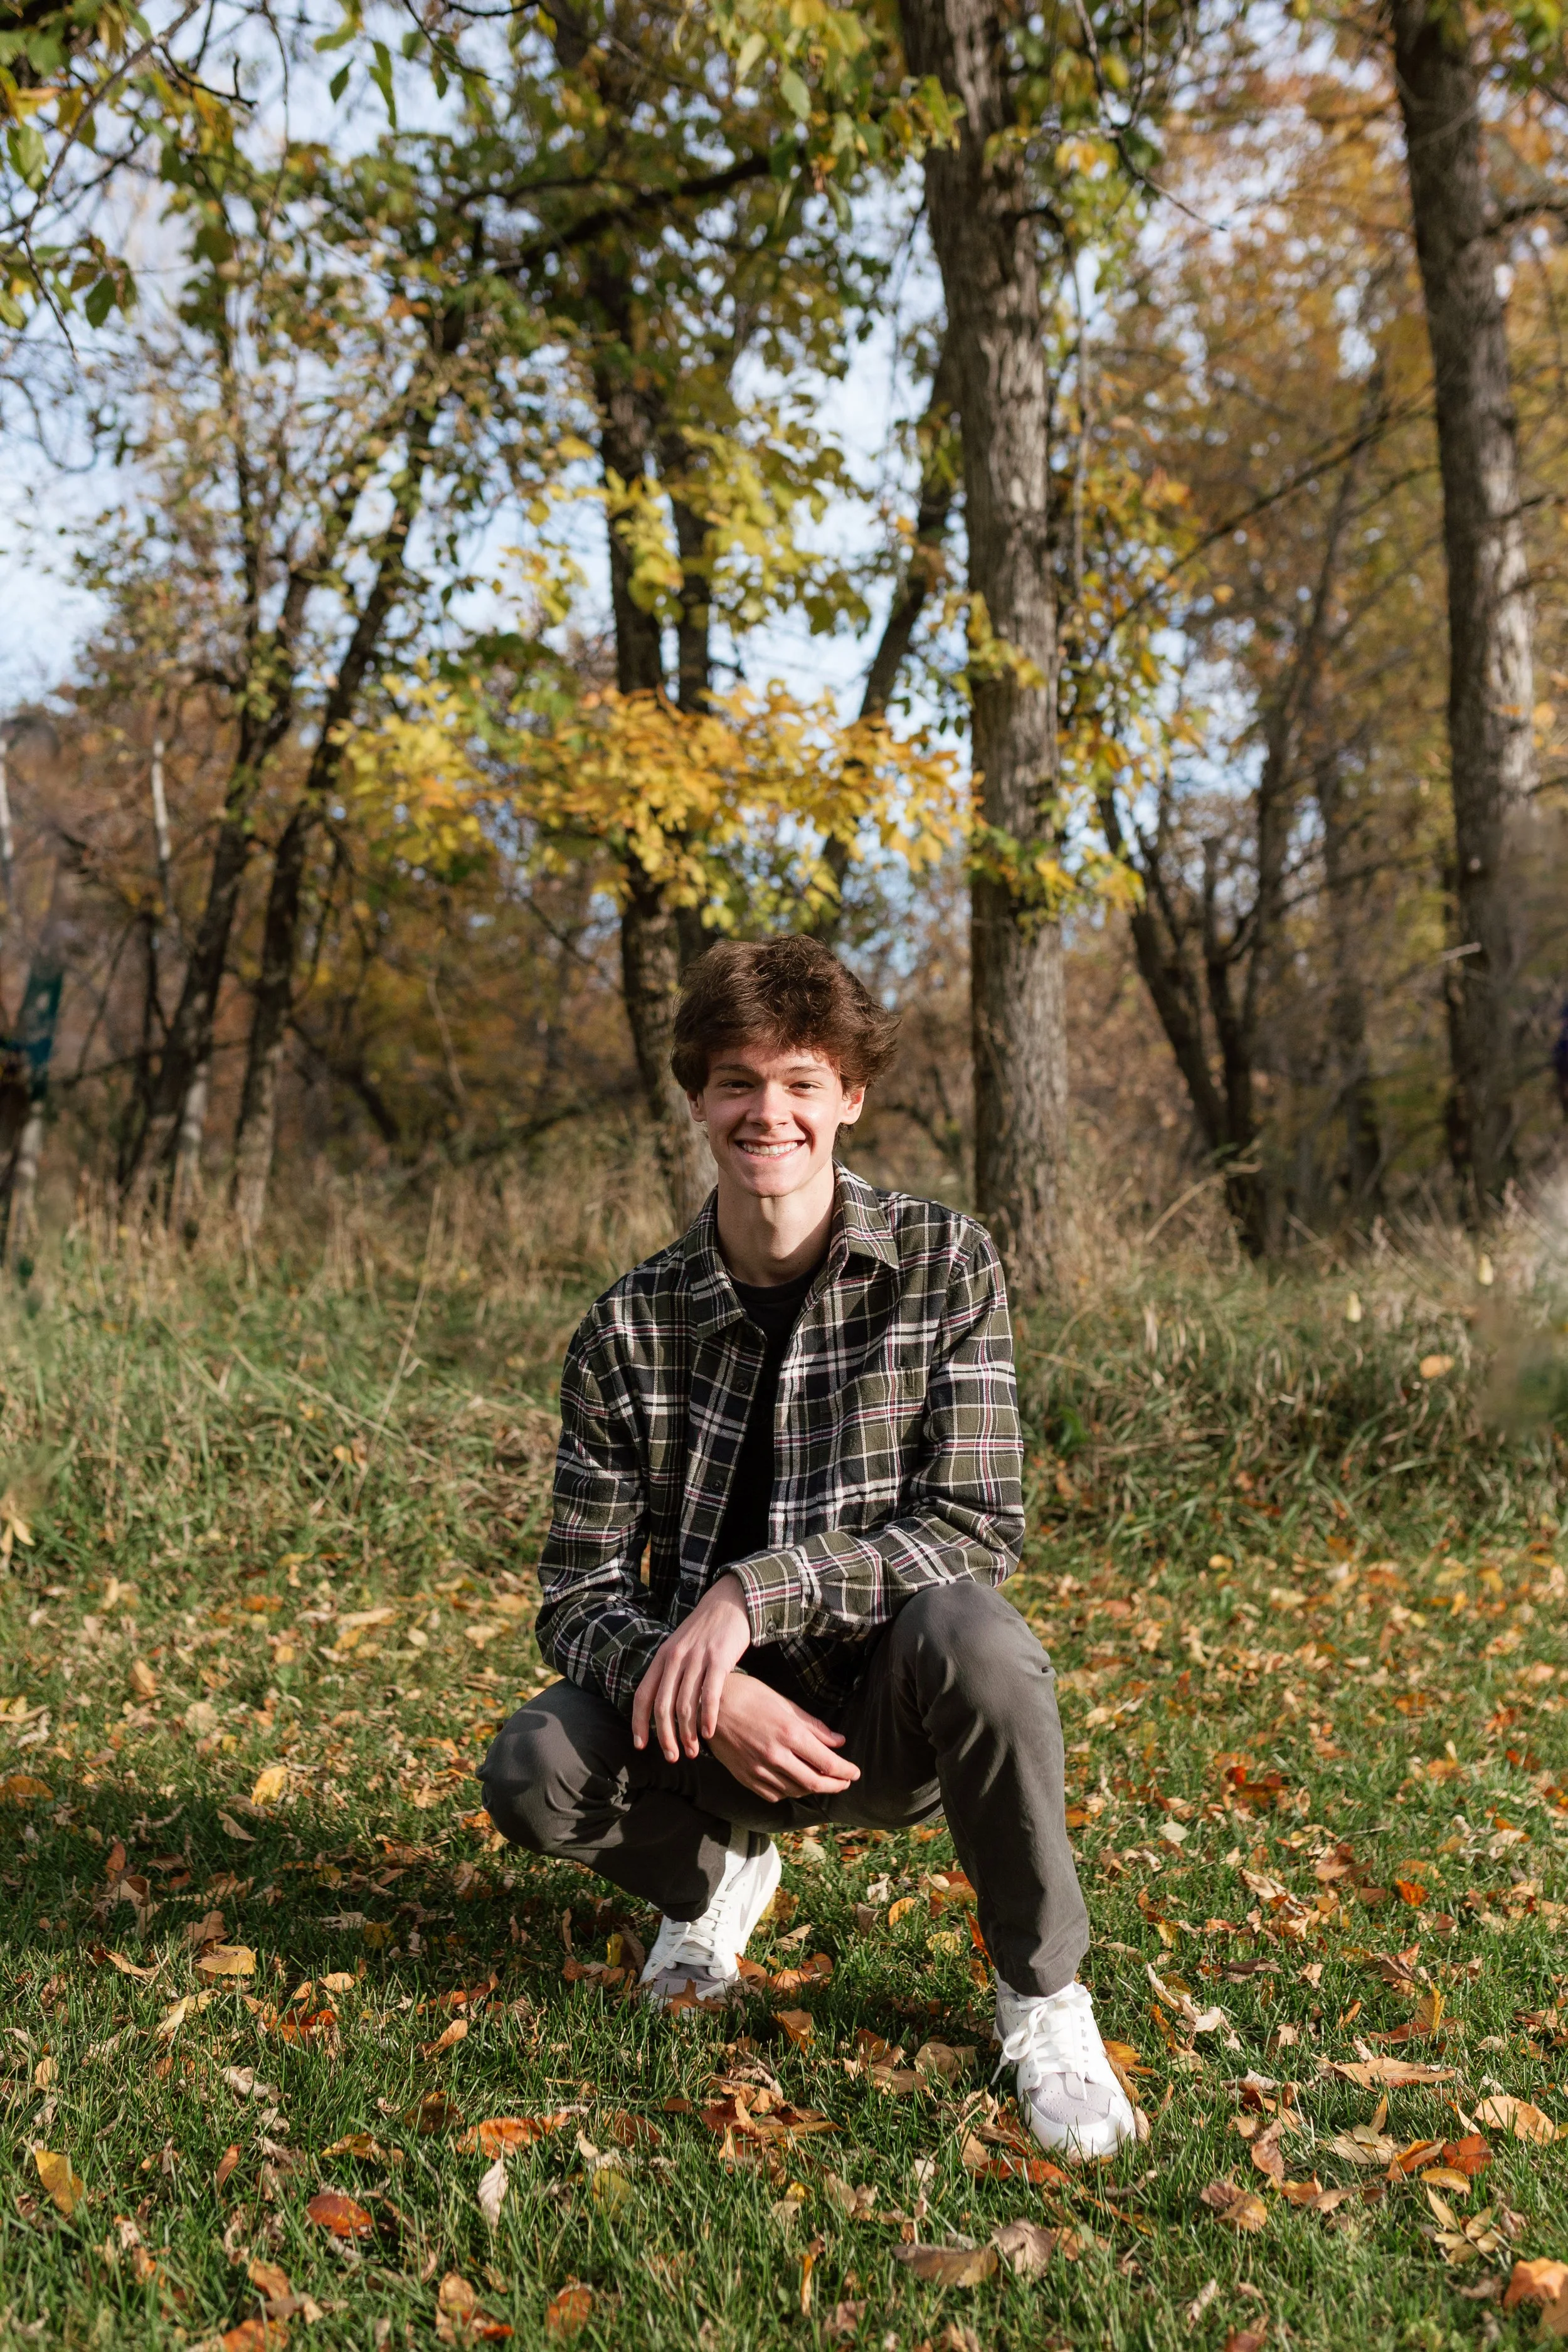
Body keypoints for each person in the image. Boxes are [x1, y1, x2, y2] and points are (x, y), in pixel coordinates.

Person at [479, 935, 1133, 2159]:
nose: (764, 1111)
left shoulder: (943, 1265)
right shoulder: (629, 1323)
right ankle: (711, 1882)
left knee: (978, 1636)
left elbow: (976, 1524)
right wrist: (711, 1684)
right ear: (697, 1100)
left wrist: (750, 1592)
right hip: (704, 1732)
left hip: (889, 1712)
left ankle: (1043, 2000)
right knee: (531, 1766)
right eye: (734, 1081)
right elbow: (573, 1594)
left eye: (797, 1080)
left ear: (848, 1098)